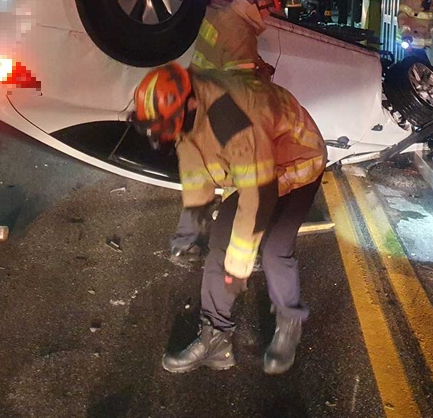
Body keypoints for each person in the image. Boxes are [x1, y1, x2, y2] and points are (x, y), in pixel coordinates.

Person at [131, 63, 326, 375]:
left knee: (275, 248)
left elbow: (259, 195)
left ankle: (290, 323)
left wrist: (237, 269)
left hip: (296, 160)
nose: (162, 134)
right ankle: (216, 341)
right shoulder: (188, 110)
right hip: (256, 162)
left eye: (164, 126)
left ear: (189, 104)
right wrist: (190, 228)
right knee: (220, 242)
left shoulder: (230, 117)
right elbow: (195, 169)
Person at [169, 0, 288, 265]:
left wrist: (255, 65)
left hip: (197, 107)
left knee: (199, 181)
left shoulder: (219, 16)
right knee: (244, 184)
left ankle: (184, 245)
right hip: (223, 117)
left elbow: (220, 60)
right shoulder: (242, 34)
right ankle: (235, 253)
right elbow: (242, 90)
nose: (269, 15)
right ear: (259, 2)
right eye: (269, 9)